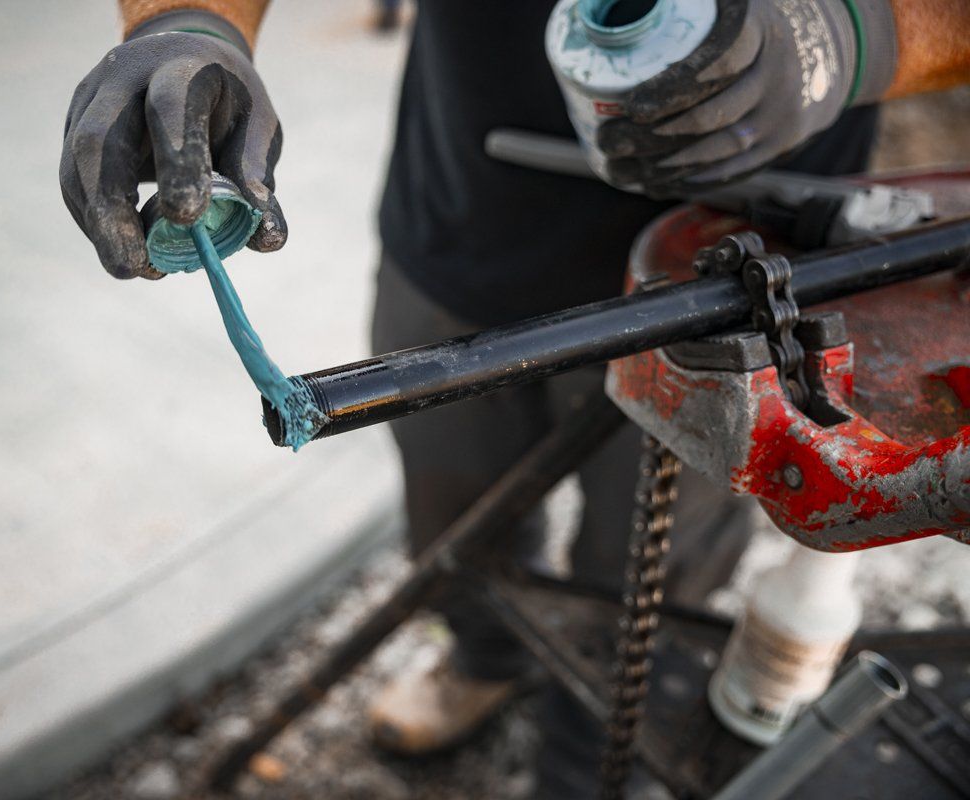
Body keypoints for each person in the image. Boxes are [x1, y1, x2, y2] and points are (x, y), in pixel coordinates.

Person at [60, 1, 970, 794]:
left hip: (734, 276)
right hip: (463, 219)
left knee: (651, 579)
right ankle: (486, 658)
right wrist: (189, 24)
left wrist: (859, 34)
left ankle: (587, 761)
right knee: (456, 512)